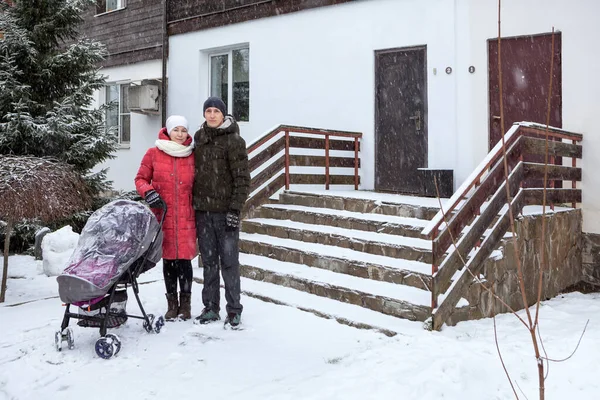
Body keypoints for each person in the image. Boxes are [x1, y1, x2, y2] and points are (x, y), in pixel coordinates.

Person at [192, 97, 250, 329]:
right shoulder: (199, 138)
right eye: (209, 111)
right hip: (203, 212)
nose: (213, 115)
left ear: (224, 115)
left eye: (217, 111)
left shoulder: (234, 141)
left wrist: (235, 208)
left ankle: (234, 309)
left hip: (226, 213)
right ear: (204, 114)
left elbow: (242, 179)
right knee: (209, 263)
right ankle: (211, 307)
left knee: (229, 263)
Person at [134, 115, 196, 321]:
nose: (180, 134)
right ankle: (172, 304)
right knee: (169, 261)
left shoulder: (192, 154)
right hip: (164, 215)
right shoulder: (154, 153)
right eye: (176, 130)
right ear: (168, 131)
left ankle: (185, 304)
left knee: (185, 261)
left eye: (183, 130)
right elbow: (141, 179)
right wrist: (148, 192)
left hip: (187, 215)